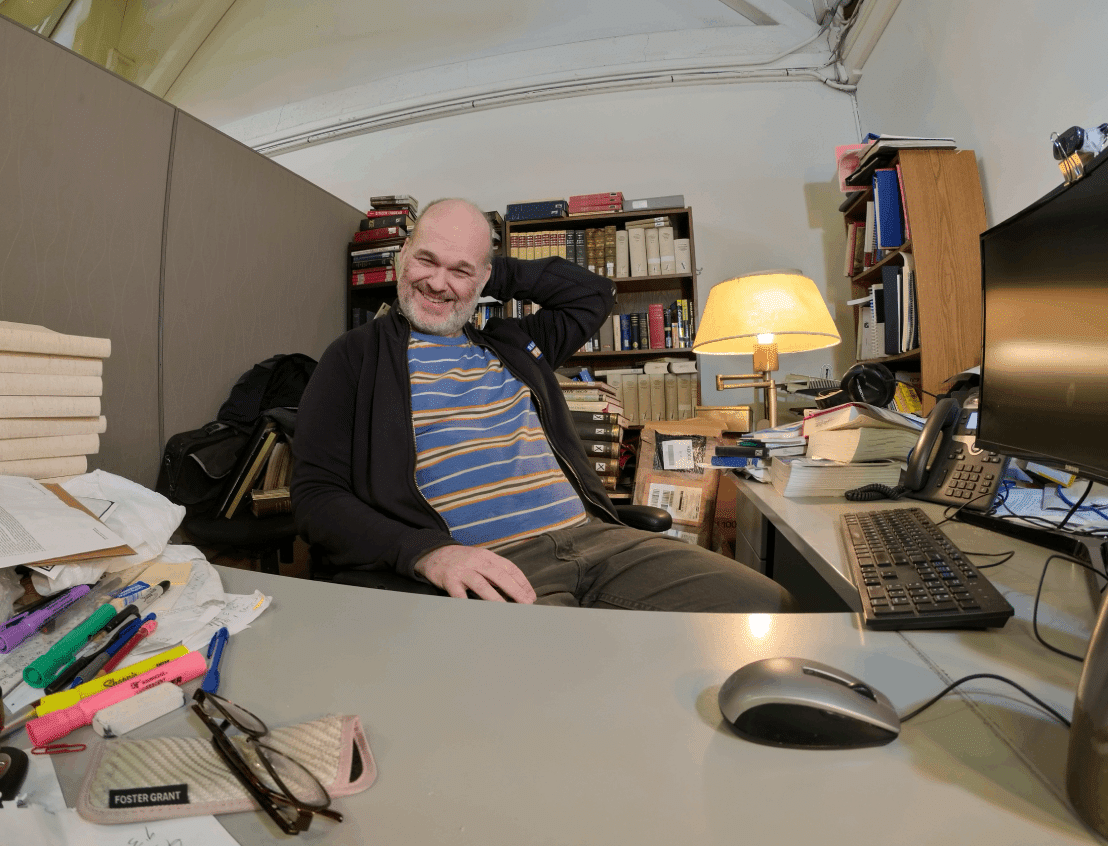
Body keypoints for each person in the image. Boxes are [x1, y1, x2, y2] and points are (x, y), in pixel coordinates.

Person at [292, 198, 795, 612]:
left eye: (460, 270)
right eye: (426, 260)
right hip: (491, 566)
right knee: (566, 688)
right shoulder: (357, 357)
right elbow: (315, 498)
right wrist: (428, 554)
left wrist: (491, 271)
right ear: (402, 256)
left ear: (484, 278)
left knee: (769, 606)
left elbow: (593, 294)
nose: (438, 283)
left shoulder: (513, 345)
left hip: (597, 541)